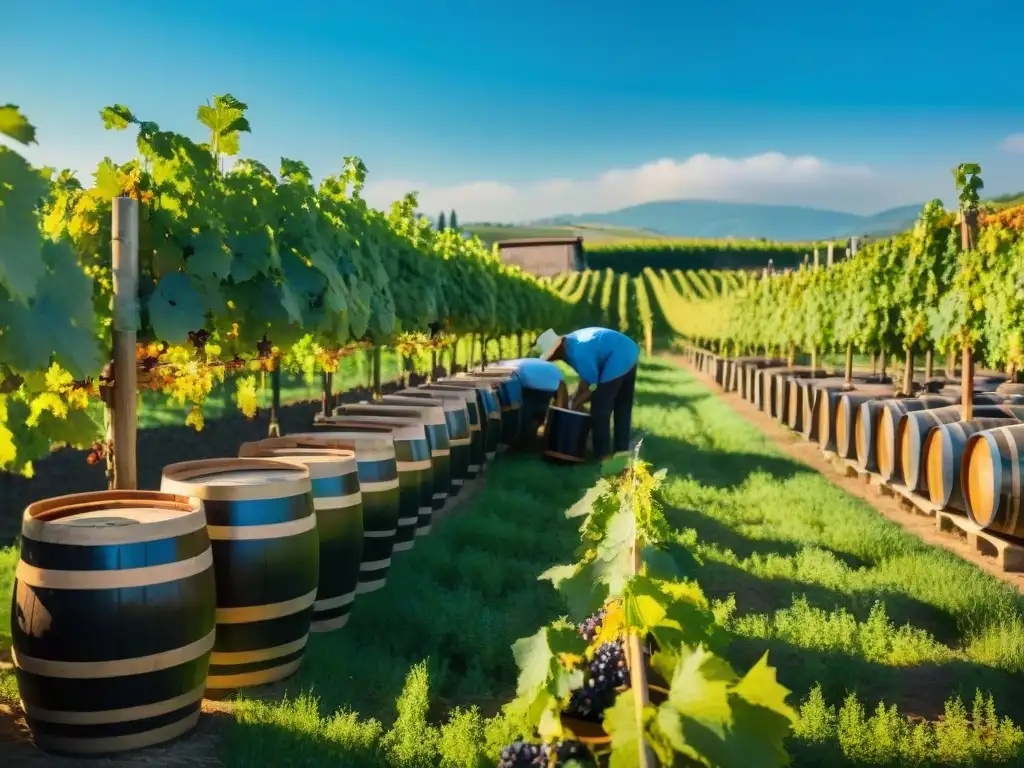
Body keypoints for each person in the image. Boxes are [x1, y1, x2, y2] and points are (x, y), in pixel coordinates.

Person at [535, 327, 639, 460]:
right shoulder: (572, 343)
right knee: (622, 407)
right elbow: (585, 380)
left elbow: (592, 386)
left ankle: (603, 457)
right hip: (630, 350)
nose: (554, 359)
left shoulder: (576, 352)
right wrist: (576, 398)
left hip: (618, 355)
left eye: (553, 355)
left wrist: (576, 403)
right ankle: (622, 454)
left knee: (600, 410)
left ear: (558, 348)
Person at [492, 358, 568, 449]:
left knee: (524, 414)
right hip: (550, 382)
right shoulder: (551, 369)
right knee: (540, 411)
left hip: (529, 381)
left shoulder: (504, 366)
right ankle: (534, 437)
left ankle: (519, 439)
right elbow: (562, 396)